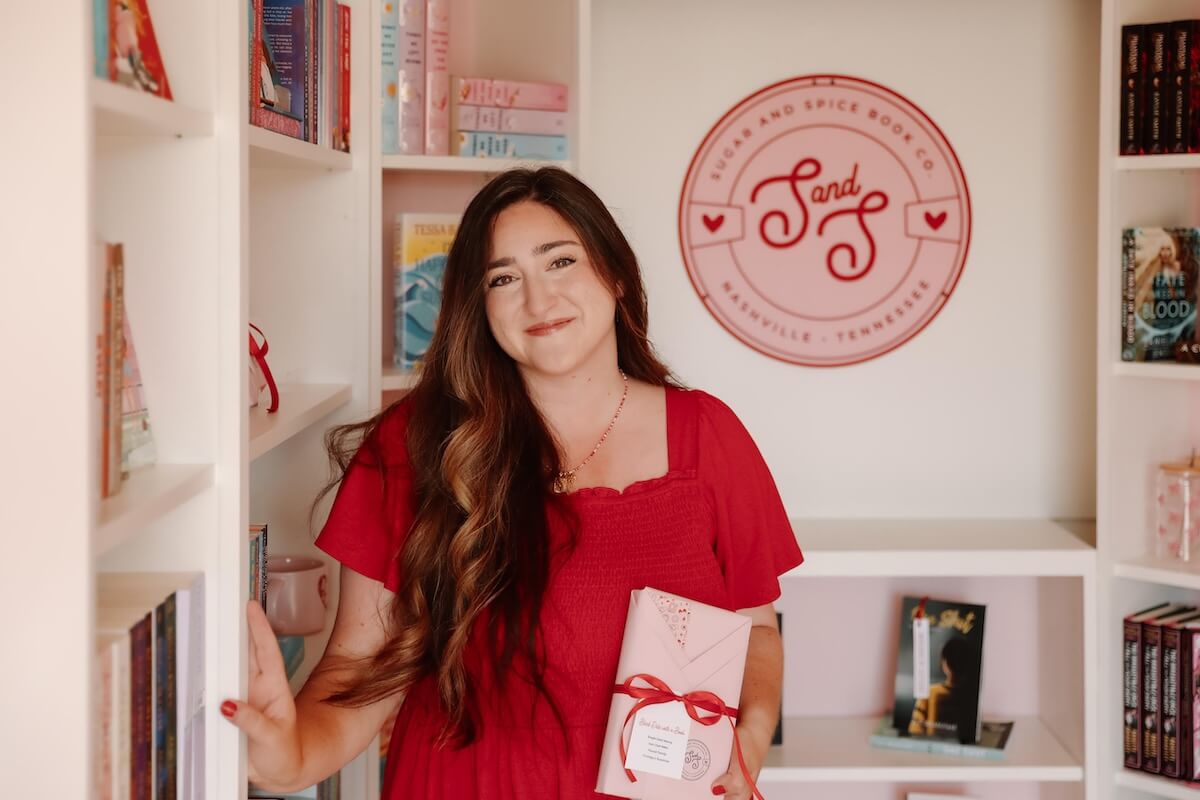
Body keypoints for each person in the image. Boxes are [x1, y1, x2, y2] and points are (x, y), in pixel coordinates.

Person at [219, 167, 804, 799]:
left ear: (613, 273)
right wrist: (289, 757)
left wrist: (750, 735)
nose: (538, 299)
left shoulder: (708, 435)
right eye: (504, 277)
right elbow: (360, 667)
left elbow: (756, 628)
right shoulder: (414, 446)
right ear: (479, 306)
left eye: (560, 262)